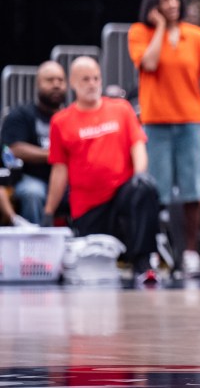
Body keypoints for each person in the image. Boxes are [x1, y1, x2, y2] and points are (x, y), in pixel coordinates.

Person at [128, 0, 200, 278]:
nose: (172, 4)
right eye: (165, 0)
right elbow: (149, 64)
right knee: (155, 191)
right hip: (156, 123)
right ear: (154, 5)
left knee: (193, 190)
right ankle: (152, 252)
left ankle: (190, 253)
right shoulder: (140, 33)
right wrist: (161, 28)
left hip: (191, 122)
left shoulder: (197, 36)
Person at [43, 58, 160, 284]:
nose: (92, 84)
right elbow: (59, 170)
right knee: (90, 267)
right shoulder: (61, 121)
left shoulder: (121, 109)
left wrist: (139, 175)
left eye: (96, 78)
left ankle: (144, 265)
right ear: (73, 83)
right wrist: (49, 211)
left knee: (144, 188)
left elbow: (138, 146)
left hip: (122, 196)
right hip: (89, 206)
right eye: (85, 79)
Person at [0, 61, 66, 224]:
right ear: (38, 84)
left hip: (66, 178)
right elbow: (14, 148)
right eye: (50, 80)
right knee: (33, 193)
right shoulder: (21, 114)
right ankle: (35, 237)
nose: (56, 85)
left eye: (60, 80)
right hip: (30, 177)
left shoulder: (70, 116)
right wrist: (55, 154)